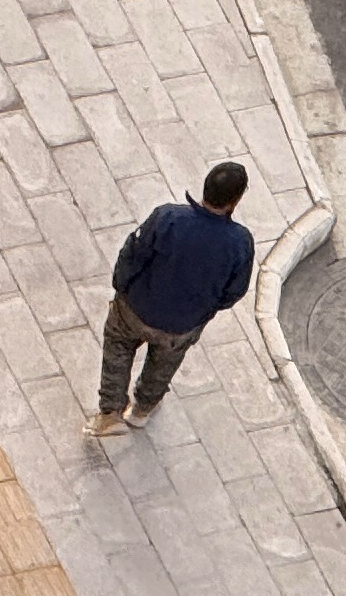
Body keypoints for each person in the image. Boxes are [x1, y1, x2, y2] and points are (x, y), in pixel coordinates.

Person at [93, 161, 255, 434]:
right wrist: (205, 311)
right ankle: (142, 409)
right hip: (182, 325)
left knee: (117, 349)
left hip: (135, 308)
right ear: (235, 200)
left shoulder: (167, 217)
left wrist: (122, 287)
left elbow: (132, 255)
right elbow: (234, 291)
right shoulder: (240, 243)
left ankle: (110, 412)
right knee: (164, 363)